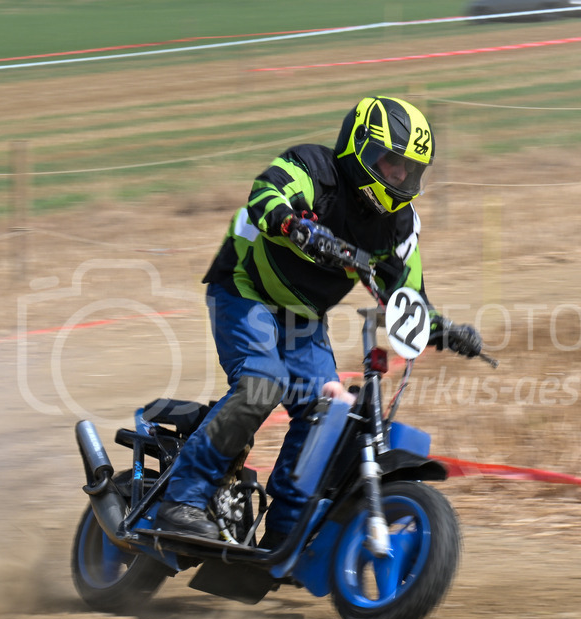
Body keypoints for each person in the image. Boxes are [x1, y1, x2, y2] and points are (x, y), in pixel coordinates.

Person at [157, 95, 483, 545]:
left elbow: (407, 298)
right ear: (359, 148)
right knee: (260, 383)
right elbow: (263, 196)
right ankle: (183, 500)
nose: (400, 176)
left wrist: (445, 329)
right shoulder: (313, 168)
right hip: (244, 288)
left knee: (327, 413)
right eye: (391, 162)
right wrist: (298, 227)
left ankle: (285, 533)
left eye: (409, 168)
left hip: (304, 317)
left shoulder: (399, 224)